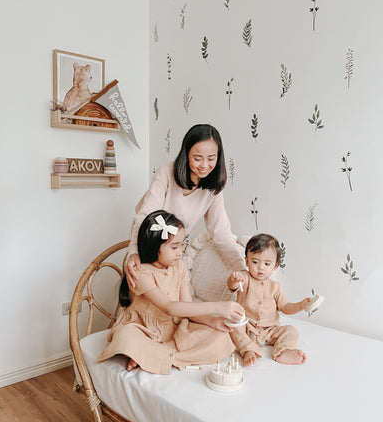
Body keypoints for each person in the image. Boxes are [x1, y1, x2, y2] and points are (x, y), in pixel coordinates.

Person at [98, 210, 245, 374]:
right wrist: (218, 307)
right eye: (174, 247)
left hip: (173, 331)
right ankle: (151, 354)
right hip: (143, 330)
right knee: (125, 336)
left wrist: (212, 321)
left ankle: (155, 356)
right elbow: (170, 307)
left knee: (222, 337)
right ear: (154, 247)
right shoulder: (141, 273)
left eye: (181, 244)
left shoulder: (179, 267)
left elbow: (187, 307)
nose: (181, 251)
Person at [124, 124, 245, 289]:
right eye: (197, 158)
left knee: (173, 301)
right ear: (186, 154)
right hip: (148, 246)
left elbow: (221, 233)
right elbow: (145, 216)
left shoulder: (213, 188)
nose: (204, 165)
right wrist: (134, 253)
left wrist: (243, 269)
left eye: (211, 158)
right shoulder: (166, 173)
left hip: (171, 253)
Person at [226, 233, 311, 366]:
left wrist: (301, 305)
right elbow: (233, 286)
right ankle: (248, 350)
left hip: (270, 330)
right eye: (255, 262)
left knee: (291, 331)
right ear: (247, 261)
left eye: (267, 263)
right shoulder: (245, 277)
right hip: (247, 327)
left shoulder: (275, 287)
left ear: (275, 266)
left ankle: (281, 352)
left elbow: (286, 307)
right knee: (233, 326)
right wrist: (234, 280)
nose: (260, 267)